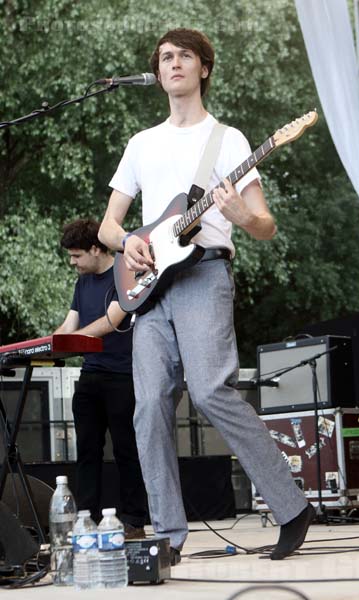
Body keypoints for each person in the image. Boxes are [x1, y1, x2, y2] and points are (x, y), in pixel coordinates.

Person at [99, 28, 315, 562]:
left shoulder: (229, 140)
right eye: (165, 57)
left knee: (211, 392)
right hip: (150, 291)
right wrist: (129, 244)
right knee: (147, 406)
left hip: (205, 275)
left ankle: (291, 506)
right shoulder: (141, 143)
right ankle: (169, 537)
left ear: (204, 69)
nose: (173, 64)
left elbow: (264, 225)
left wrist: (242, 215)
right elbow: (107, 225)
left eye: (184, 56)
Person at [55, 218, 147, 538]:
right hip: (90, 376)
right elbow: (68, 327)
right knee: (87, 453)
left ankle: (134, 520)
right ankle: (86, 520)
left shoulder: (124, 272)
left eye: (77, 255)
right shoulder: (81, 284)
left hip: (123, 377)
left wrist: (72, 341)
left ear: (96, 249)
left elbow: (111, 320)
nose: (72, 262)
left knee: (126, 451)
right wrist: (43, 346)